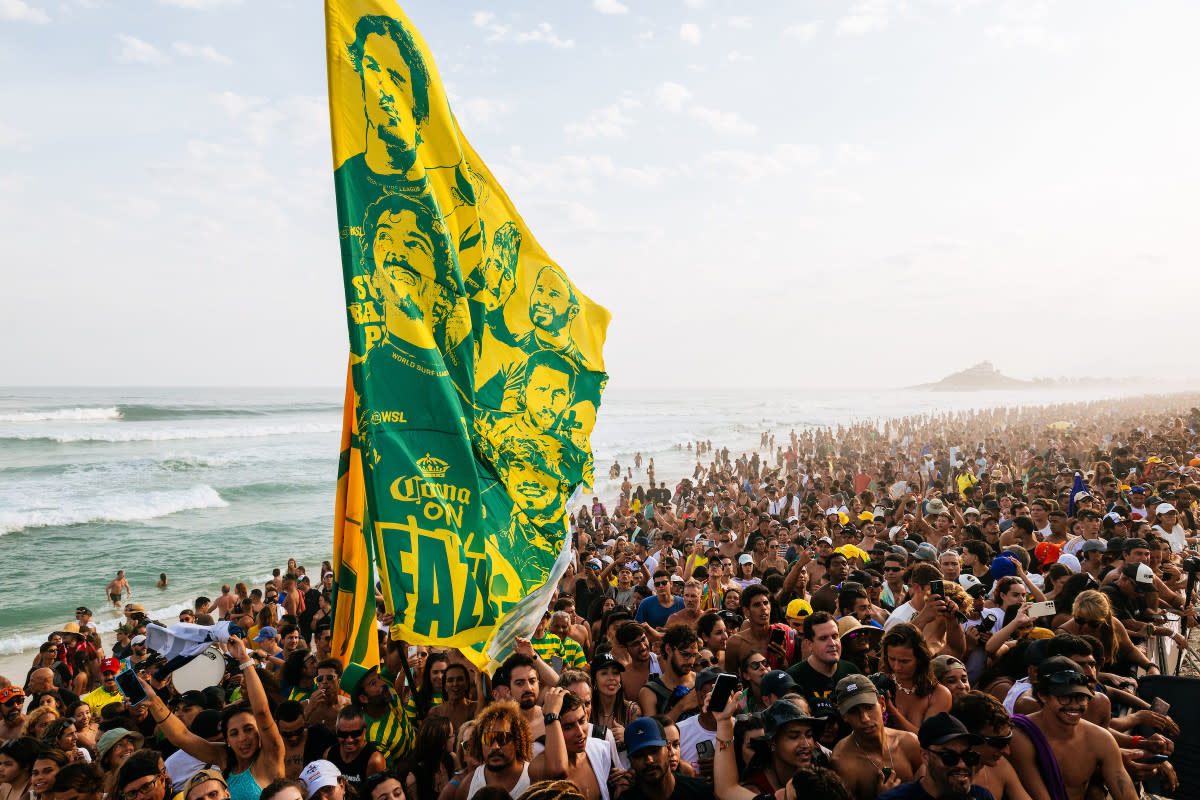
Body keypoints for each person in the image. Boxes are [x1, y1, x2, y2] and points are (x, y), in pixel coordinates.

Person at [141, 635, 284, 800]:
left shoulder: (271, 756)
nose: (243, 738)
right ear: (227, 739)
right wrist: (153, 701)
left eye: (248, 729)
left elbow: (262, 711)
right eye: (234, 733)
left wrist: (244, 659)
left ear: (259, 731)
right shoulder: (225, 759)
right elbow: (182, 737)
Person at [1008, 657, 1138, 800]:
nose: (1075, 706)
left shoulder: (1101, 739)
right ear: (1043, 696)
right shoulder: (1022, 738)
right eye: (1065, 697)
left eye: (1081, 697)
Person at [830, 674, 920, 800]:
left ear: (882, 704)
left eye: (869, 707)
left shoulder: (909, 743)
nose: (864, 718)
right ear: (843, 715)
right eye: (854, 711)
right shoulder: (843, 762)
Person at [878, 712, 991, 800]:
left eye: (968, 756)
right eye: (949, 757)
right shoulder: (896, 798)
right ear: (925, 757)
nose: (962, 764)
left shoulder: (983, 796)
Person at [530, 689, 610, 800]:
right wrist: (552, 715)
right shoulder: (539, 767)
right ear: (553, 728)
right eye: (568, 727)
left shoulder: (600, 751)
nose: (580, 732)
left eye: (582, 721)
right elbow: (558, 771)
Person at [950, 691, 1032, 800]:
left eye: (1008, 740)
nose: (1007, 751)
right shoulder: (935, 772)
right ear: (969, 739)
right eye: (998, 743)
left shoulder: (1000, 766)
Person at [615, 717, 713, 800]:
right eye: (639, 755)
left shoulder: (700, 791)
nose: (649, 760)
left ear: (668, 748)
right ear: (630, 759)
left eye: (654, 750)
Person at [879, 624, 952, 733]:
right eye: (892, 659)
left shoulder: (940, 694)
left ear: (921, 659)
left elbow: (926, 740)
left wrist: (892, 711)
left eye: (904, 661)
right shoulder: (880, 683)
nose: (897, 667)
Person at [787, 612, 859, 719]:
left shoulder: (852, 671)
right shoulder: (793, 679)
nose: (832, 643)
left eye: (835, 636)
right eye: (823, 638)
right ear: (809, 643)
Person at [454, 702, 533, 800]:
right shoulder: (468, 785)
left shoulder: (533, 779)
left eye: (503, 738)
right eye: (488, 739)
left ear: (517, 741)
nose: (495, 746)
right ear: (479, 743)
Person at [323, 706, 385, 786]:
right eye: (343, 734)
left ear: (364, 730)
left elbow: (379, 794)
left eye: (355, 734)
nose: (349, 740)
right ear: (336, 730)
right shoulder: (329, 754)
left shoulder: (374, 761)